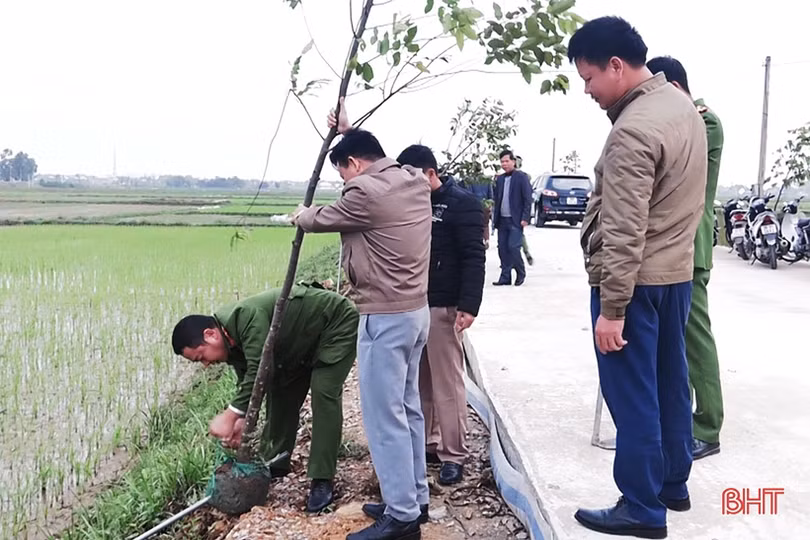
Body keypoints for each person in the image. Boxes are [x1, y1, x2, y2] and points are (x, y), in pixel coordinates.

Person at [568, 16, 708, 539]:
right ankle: (673, 483)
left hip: (634, 282)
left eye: (588, 78)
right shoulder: (681, 107)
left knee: (633, 396)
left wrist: (612, 308)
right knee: (672, 382)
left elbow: (624, 229)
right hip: (674, 278)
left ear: (616, 66)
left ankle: (641, 506)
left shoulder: (633, 131)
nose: (587, 91)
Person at [292, 101, 432, 540]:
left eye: (343, 173)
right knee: (407, 409)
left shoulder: (365, 194)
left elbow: (319, 219)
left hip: (385, 316)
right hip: (416, 312)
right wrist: (350, 131)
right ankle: (415, 497)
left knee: (383, 416)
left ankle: (403, 517)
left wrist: (299, 214)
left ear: (352, 164)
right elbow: (376, 160)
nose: (344, 183)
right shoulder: (411, 179)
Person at [170, 283, 358, 514]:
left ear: (210, 335)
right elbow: (251, 384)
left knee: (324, 395)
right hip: (296, 347)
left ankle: (322, 478)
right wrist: (241, 420)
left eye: (201, 357)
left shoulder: (245, 317)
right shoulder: (229, 343)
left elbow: (261, 367)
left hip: (333, 326)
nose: (206, 364)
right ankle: (276, 465)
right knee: (280, 396)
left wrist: (230, 415)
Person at [647, 56, 725, 461]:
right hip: (668, 248)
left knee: (694, 340)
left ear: (674, 87)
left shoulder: (703, 122)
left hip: (689, 246)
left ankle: (707, 425)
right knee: (671, 341)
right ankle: (677, 418)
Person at [396, 145, 486, 487]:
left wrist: (468, 306)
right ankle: (429, 444)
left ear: (430, 174)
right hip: (413, 305)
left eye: (412, 177)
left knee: (447, 383)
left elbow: (473, 257)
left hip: (445, 305)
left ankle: (454, 454)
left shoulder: (462, 204)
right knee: (420, 383)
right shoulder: (411, 204)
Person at [492, 150, 533, 286]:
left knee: (514, 247)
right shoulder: (500, 179)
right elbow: (496, 199)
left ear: (513, 162)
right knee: (502, 249)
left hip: (516, 220)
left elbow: (528, 199)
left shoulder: (521, 177)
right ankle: (505, 277)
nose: (504, 164)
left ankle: (520, 272)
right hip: (502, 220)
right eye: (502, 162)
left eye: (507, 161)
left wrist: (525, 217)